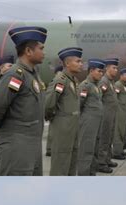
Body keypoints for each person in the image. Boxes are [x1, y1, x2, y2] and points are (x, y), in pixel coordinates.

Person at [0, 26, 47, 176]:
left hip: (31, 145)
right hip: (16, 146)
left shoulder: (32, 75)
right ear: (28, 51)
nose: (44, 52)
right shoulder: (15, 75)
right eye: (41, 48)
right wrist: (2, 128)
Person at [45, 47, 83, 176]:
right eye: (78, 61)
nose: (81, 64)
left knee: (71, 161)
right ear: (67, 63)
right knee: (61, 163)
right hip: (63, 128)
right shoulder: (60, 80)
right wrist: (56, 119)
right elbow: (48, 104)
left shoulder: (73, 80)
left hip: (72, 127)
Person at [77, 59, 105, 176]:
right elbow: (79, 104)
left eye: (102, 71)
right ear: (91, 70)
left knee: (95, 147)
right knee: (86, 148)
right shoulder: (85, 86)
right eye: (99, 71)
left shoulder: (96, 86)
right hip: (88, 121)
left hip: (97, 121)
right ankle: (84, 173)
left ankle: (92, 171)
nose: (101, 73)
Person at [97, 58, 120, 173]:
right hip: (105, 115)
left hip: (111, 115)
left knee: (110, 137)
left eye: (117, 68)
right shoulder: (104, 81)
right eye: (114, 68)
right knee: (104, 138)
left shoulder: (111, 82)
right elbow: (98, 98)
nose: (116, 70)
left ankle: (107, 159)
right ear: (107, 68)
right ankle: (101, 163)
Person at [112, 68, 126, 160]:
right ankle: (116, 152)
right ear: (121, 76)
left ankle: (121, 149)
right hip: (120, 112)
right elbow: (115, 98)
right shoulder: (118, 85)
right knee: (118, 132)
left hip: (125, 112)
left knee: (124, 131)